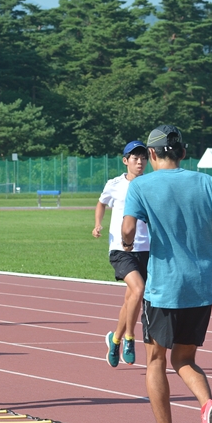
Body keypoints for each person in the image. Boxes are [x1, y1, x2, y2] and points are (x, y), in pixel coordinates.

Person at [122, 125, 212, 423]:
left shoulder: (141, 185)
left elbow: (128, 228)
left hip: (164, 287)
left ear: (153, 154)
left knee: (156, 360)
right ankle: (207, 406)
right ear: (183, 153)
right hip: (201, 286)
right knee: (185, 359)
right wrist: (210, 249)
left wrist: (127, 243)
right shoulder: (204, 181)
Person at [93, 140, 150, 367]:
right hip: (120, 248)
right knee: (139, 290)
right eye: (135, 158)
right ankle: (129, 338)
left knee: (131, 299)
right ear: (125, 161)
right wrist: (98, 224)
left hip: (147, 249)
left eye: (143, 158)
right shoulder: (115, 184)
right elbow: (101, 204)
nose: (140, 162)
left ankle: (114, 339)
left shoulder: (150, 184)